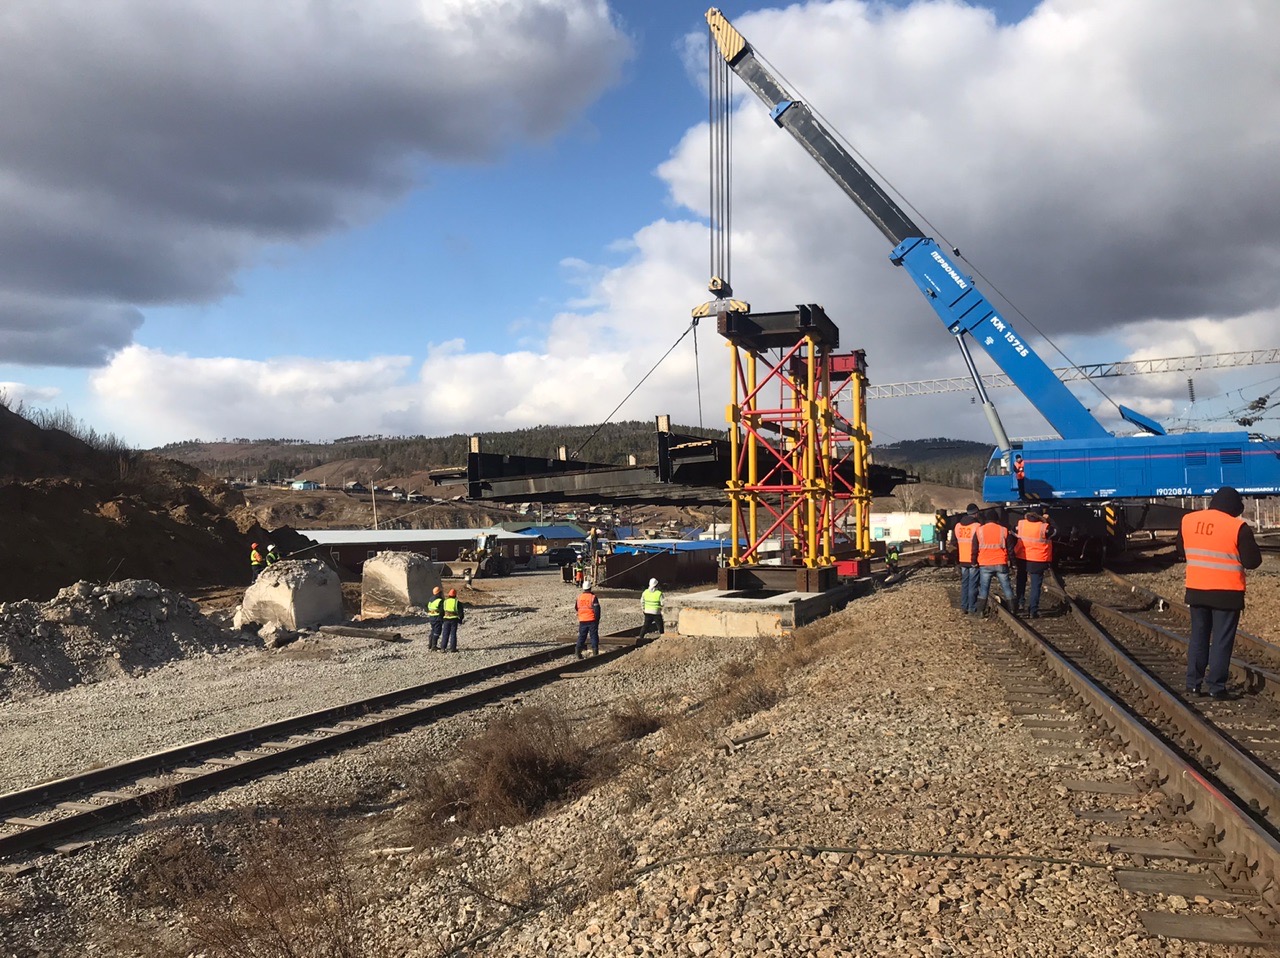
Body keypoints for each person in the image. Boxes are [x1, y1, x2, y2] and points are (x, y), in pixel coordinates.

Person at [1177, 486, 1261, 699]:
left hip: (1197, 590)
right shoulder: (1237, 526)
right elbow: (1252, 562)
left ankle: (1193, 684)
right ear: (1234, 507)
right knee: (1221, 641)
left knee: (1199, 636)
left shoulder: (1188, 520)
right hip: (1227, 593)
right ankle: (1216, 687)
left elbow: (1180, 551)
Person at [973, 509, 1016, 616]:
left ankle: (980, 611)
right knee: (1006, 587)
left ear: (986, 519)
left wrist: (974, 561)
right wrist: (1014, 563)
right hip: (1001, 562)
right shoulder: (1004, 530)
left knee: (984, 589)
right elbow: (1011, 549)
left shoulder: (979, 530)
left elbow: (974, 549)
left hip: (985, 563)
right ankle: (1013, 610)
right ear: (997, 519)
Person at [1013, 509, 1054, 618]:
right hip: (1038, 559)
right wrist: (1048, 520)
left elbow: (1013, 533)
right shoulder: (1044, 527)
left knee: (1021, 581)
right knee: (1035, 585)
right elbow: (1055, 531)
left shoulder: (1021, 524)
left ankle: (1020, 603)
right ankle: (1033, 610)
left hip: (1022, 557)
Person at [950, 503, 982, 613]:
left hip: (962, 560)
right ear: (976, 513)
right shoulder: (977, 527)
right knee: (973, 584)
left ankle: (964, 606)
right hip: (974, 560)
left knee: (965, 584)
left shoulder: (957, 526)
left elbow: (953, 542)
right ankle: (972, 607)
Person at [575, 579, 601, 659]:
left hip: (582, 620)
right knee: (593, 636)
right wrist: (597, 620)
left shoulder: (579, 597)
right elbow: (597, 610)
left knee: (582, 637)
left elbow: (576, 607)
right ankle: (595, 653)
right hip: (592, 620)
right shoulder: (593, 597)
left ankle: (578, 652)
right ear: (590, 588)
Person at [441, 587, 465, 653]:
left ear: (449, 595)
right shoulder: (457, 602)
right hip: (454, 620)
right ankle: (453, 648)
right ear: (455, 595)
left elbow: (441, 611)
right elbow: (461, 613)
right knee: (453, 634)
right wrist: (460, 619)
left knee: (445, 634)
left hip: (446, 619)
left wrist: (441, 619)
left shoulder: (445, 602)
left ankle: (443, 648)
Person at [426, 585, 444, 651]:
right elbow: (442, 610)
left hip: (431, 617)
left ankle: (430, 644)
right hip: (437, 618)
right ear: (438, 593)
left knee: (433, 630)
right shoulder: (440, 601)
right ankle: (434, 646)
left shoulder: (431, 599)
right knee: (437, 632)